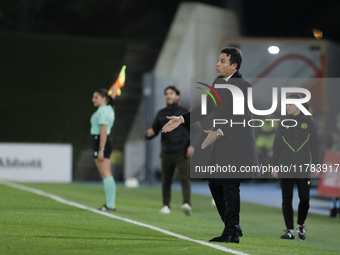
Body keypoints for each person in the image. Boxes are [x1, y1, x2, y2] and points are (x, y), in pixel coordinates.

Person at [162, 47, 259, 243]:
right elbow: (206, 108)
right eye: (218, 60)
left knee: (230, 186)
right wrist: (181, 119)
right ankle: (232, 226)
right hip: (223, 142)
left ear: (234, 66)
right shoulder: (218, 83)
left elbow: (242, 118)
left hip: (238, 143)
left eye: (222, 61)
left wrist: (219, 132)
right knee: (215, 182)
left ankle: (231, 232)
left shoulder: (243, 85)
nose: (217, 64)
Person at [271, 93, 320, 240]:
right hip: (286, 166)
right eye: (286, 104)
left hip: (303, 167)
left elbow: (315, 146)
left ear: (298, 105)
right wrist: (274, 166)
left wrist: (316, 165)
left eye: (290, 104)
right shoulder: (283, 122)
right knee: (287, 199)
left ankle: (300, 225)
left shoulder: (309, 123)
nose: (287, 107)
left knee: (304, 199)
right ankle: (289, 231)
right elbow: (277, 146)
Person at [146, 86, 194, 215]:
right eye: (167, 94)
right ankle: (166, 205)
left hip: (181, 151)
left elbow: (193, 131)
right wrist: (149, 134)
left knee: (184, 177)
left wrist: (191, 145)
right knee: (166, 179)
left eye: (171, 93)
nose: (169, 96)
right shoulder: (161, 114)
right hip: (166, 151)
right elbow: (154, 130)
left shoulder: (184, 112)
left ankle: (186, 203)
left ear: (177, 96)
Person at [91, 88, 117, 211]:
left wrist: (101, 149)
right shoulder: (109, 108)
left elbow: (103, 131)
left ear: (103, 98)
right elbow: (112, 97)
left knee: (106, 174)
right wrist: (115, 87)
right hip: (104, 141)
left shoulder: (102, 111)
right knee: (106, 173)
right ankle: (110, 204)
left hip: (101, 142)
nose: (93, 99)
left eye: (96, 97)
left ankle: (111, 204)